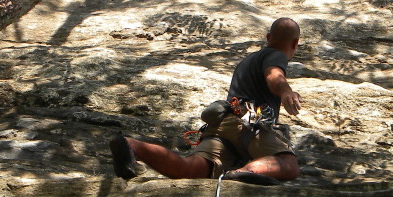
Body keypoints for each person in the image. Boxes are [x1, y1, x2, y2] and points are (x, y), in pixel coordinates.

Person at [110, 18, 303, 185]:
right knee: (289, 164)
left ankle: (131, 145)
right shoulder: (275, 55)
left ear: (268, 37)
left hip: (222, 126)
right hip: (250, 126)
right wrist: (286, 92)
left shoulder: (247, 61)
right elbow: (274, 75)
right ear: (295, 43)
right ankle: (244, 173)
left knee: (191, 170)